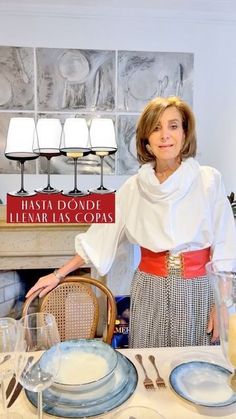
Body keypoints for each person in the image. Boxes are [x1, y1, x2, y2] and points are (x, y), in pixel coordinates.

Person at [26, 96, 236, 348]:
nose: (164, 135)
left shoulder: (209, 180)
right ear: (146, 140)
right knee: (150, 364)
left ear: (185, 133)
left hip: (197, 290)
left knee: (191, 368)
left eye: (173, 126)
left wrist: (223, 305)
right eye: (156, 128)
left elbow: (225, 245)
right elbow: (99, 238)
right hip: (149, 288)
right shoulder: (132, 189)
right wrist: (58, 275)